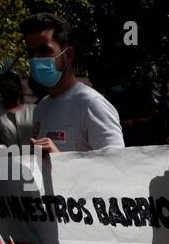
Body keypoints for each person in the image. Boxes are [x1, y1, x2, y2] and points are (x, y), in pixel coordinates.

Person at [21, 12, 124, 153]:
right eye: (30, 53)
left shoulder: (92, 104)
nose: (35, 59)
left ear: (68, 55)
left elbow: (116, 168)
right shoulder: (41, 107)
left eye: (44, 51)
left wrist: (59, 159)